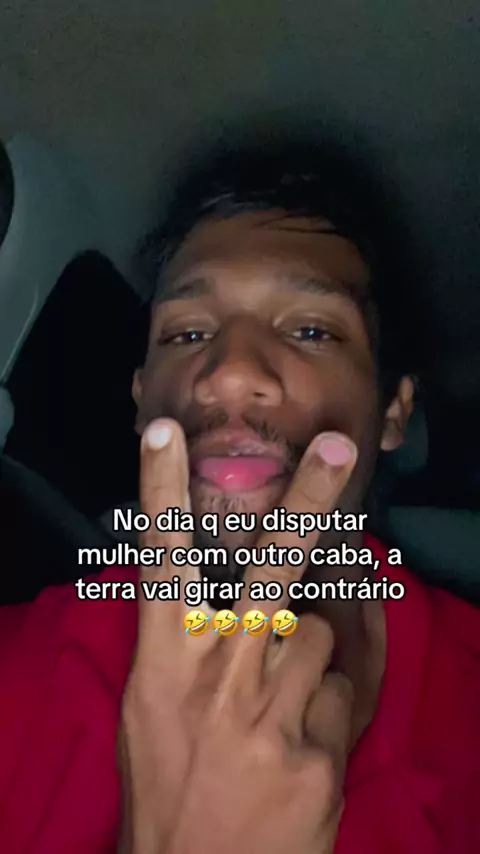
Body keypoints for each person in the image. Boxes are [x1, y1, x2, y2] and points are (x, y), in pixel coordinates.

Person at [1, 138, 480, 854]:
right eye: (188, 333)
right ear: (141, 400)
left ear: (392, 413)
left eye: (311, 330)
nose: (227, 374)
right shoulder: (19, 670)